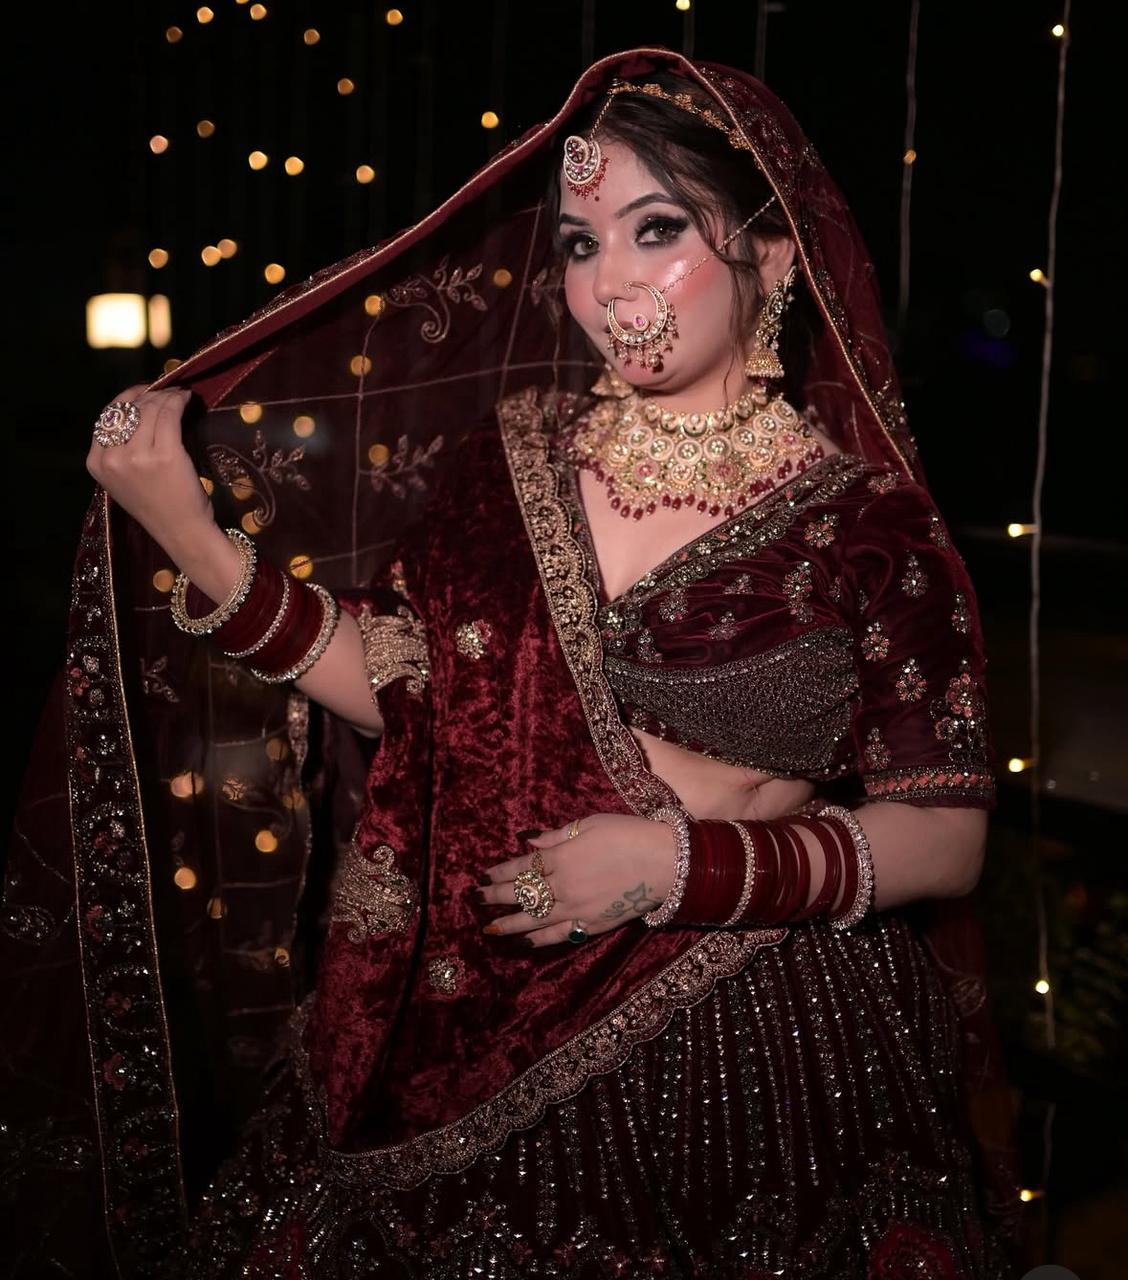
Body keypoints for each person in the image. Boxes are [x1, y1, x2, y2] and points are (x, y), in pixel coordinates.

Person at [1, 49, 1022, 1278]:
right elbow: (404, 688)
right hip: (460, 1011)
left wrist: (675, 864)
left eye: (657, 230)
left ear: (774, 255)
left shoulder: (867, 526)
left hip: (744, 1030)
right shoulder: (514, 460)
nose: (610, 280)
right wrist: (186, 530)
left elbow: (945, 832)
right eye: (581, 243)